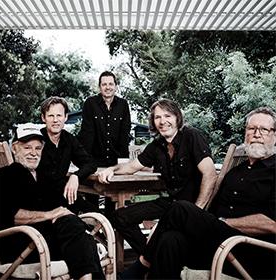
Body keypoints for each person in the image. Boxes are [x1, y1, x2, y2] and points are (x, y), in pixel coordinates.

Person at [120, 107, 276, 280]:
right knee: (170, 239)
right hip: (218, 244)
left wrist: (222, 223)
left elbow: (272, 223)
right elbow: (214, 210)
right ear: (246, 133)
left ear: (274, 136)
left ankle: (141, 266)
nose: (256, 134)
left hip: (251, 251)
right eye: (252, 129)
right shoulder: (235, 172)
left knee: (180, 209)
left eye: (264, 130)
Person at [98, 98, 217, 255]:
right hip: (170, 203)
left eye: (168, 116)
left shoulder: (192, 136)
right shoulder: (156, 146)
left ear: (177, 118)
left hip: (190, 206)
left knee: (164, 234)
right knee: (119, 216)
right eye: (158, 117)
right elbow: (131, 166)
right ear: (153, 122)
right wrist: (111, 170)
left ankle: (153, 258)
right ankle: (151, 256)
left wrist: (197, 210)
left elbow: (210, 174)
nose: (163, 121)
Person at [0, 123, 105, 280]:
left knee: (76, 229)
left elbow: (63, 206)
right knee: (83, 240)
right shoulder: (2, 176)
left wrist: (93, 213)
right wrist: (50, 214)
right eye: (27, 148)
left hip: (50, 242)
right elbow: (9, 216)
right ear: (15, 149)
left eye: (38, 148)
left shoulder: (45, 178)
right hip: (22, 245)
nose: (33, 153)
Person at [79, 71, 131, 216]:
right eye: (104, 84)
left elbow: (124, 134)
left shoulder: (123, 105)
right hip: (94, 160)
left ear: (116, 86)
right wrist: (86, 161)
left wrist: (123, 163)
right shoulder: (91, 103)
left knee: (112, 200)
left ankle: (110, 232)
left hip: (114, 162)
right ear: (99, 87)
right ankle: (94, 232)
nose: (107, 87)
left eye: (110, 84)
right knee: (91, 198)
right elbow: (87, 133)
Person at [39, 96, 99, 214]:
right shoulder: (35, 140)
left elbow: (90, 163)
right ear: (43, 118)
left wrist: (75, 176)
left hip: (64, 198)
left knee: (96, 214)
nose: (55, 120)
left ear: (66, 117)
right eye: (51, 116)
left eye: (59, 115)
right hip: (39, 202)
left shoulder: (69, 140)